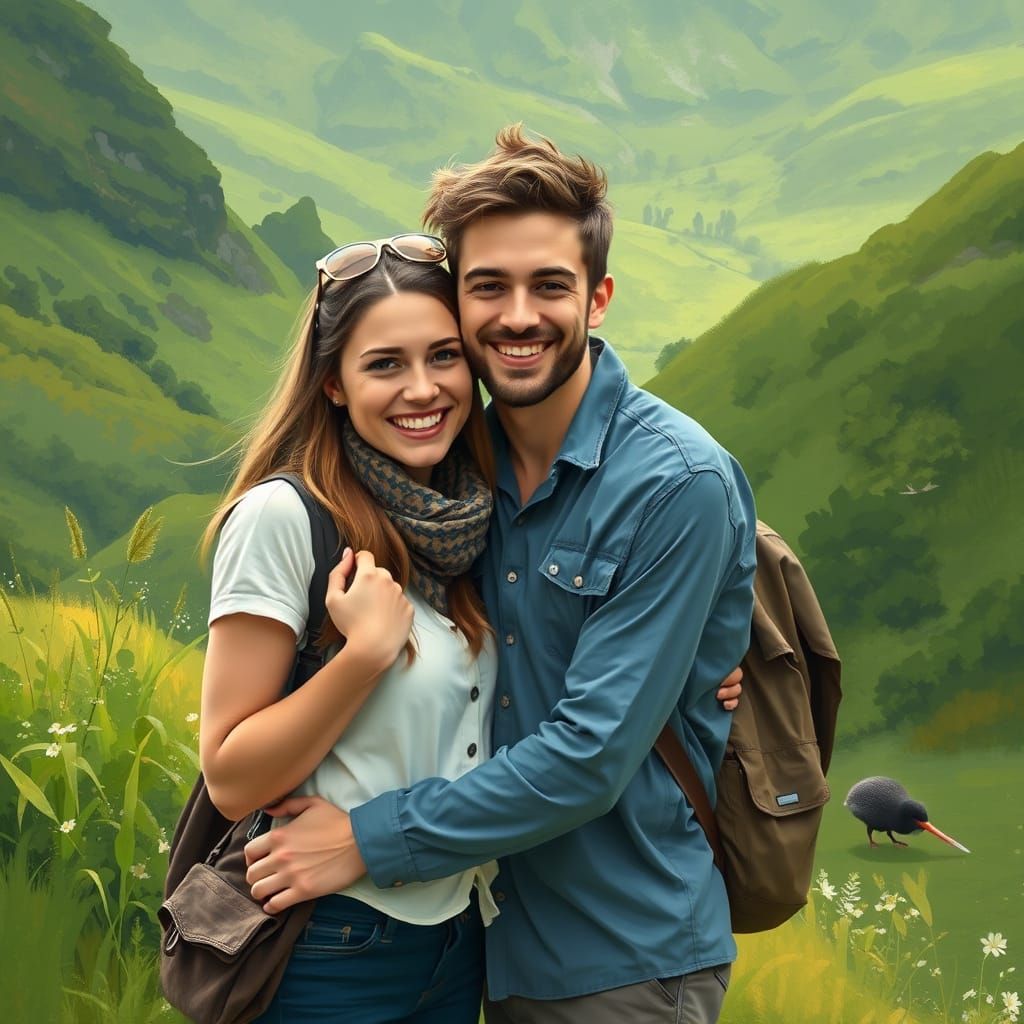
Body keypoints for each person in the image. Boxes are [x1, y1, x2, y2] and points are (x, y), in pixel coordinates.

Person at [244, 126, 758, 1024]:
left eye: (549, 285)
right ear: (457, 304)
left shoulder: (676, 483)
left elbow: (590, 757)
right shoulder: (451, 472)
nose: (518, 316)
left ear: (598, 299)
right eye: (487, 286)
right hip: (476, 945)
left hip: (621, 956)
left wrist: (364, 840)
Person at [198, 239, 500, 1023]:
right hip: (328, 947)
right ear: (333, 382)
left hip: (459, 940)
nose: (423, 389)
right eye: (385, 365)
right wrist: (362, 656)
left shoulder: (471, 518)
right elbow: (229, 775)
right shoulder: (284, 518)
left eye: (443, 356)